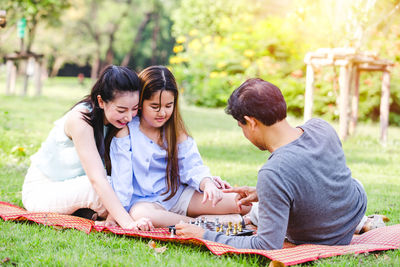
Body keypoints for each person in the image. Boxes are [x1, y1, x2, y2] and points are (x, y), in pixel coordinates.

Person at [175, 78, 368, 250]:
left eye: (241, 127)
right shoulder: (321, 127)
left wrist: (205, 236)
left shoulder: (272, 172)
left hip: (320, 238)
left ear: (251, 122)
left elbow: (266, 244)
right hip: (350, 216)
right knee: (354, 182)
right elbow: (316, 172)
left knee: (258, 214)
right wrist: (263, 192)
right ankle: (362, 222)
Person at [107, 65, 250, 227]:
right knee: (141, 214)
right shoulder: (126, 132)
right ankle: (204, 224)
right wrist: (116, 214)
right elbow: (122, 180)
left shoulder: (176, 132)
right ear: (140, 103)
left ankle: (213, 220)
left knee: (243, 203)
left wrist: (207, 183)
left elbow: (193, 167)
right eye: (155, 107)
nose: (162, 113)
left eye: (168, 106)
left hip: (179, 196)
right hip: (146, 203)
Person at [22, 65, 153, 231]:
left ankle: (93, 213)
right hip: (42, 191)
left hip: (74, 187)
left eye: (134, 109)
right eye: (121, 110)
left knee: (129, 188)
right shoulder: (80, 120)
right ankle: (120, 216)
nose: (128, 117)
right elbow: (97, 179)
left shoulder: (119, 123)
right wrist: (128, 224)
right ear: (101, 101)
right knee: (106, 189)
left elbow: (125, 172)